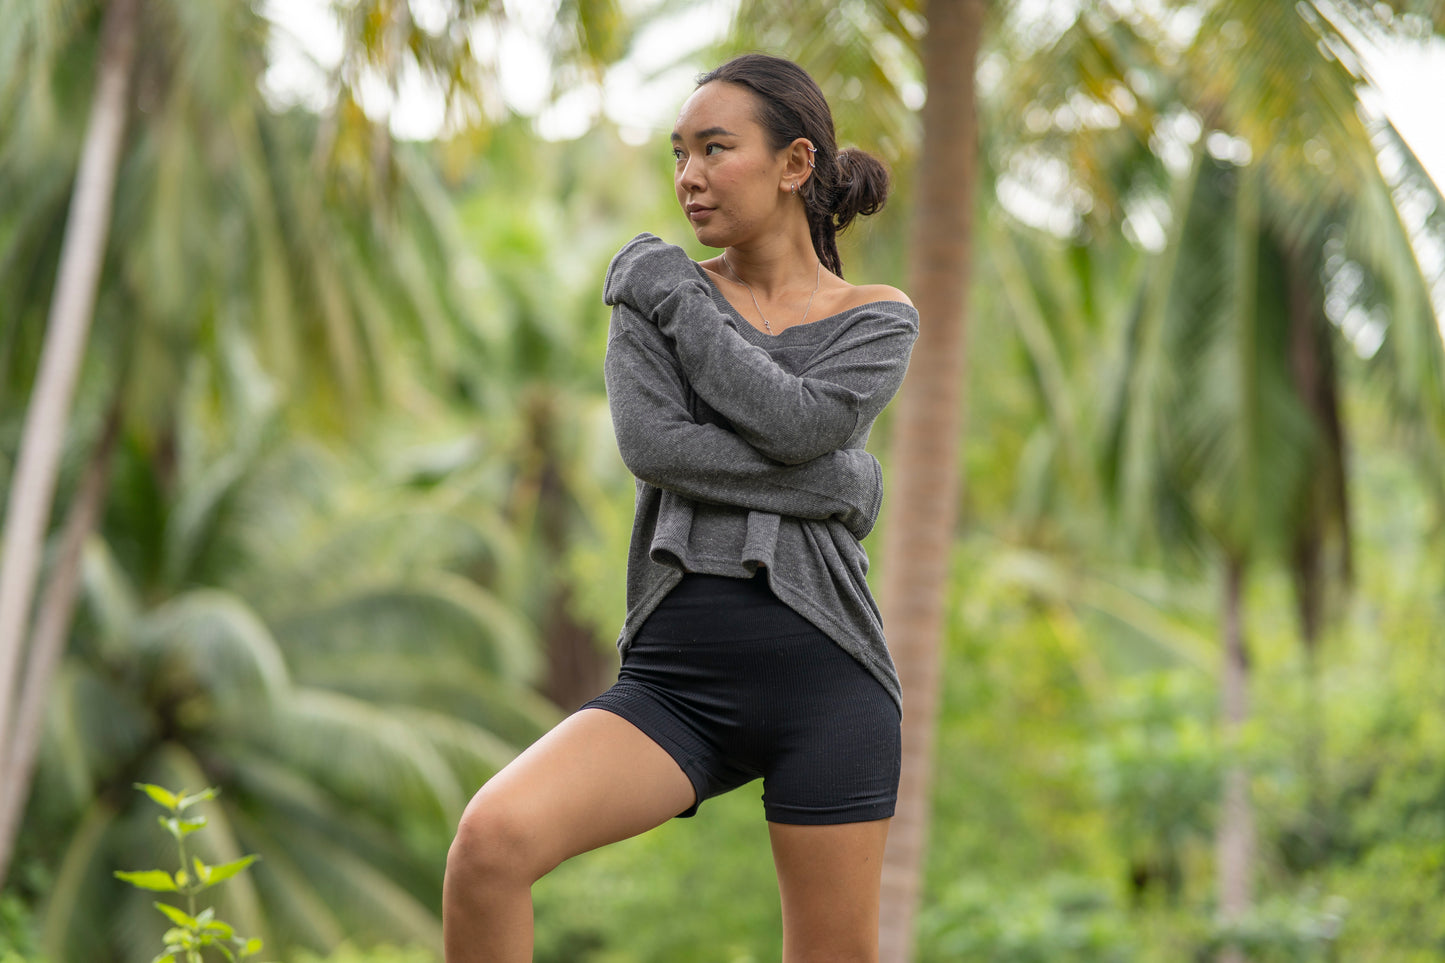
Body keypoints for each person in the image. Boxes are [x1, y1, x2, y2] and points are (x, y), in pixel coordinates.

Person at [443, 53, 918, 963]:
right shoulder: (648, 287)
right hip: (675, 686)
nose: (688, 177)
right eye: (677, 154)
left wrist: (684, 302)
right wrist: (837, 485)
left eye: (714, 149)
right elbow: (656, 449)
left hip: (832, 687)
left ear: (794, 163)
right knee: (490, 842)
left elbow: (799, 420)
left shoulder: (874, 316)